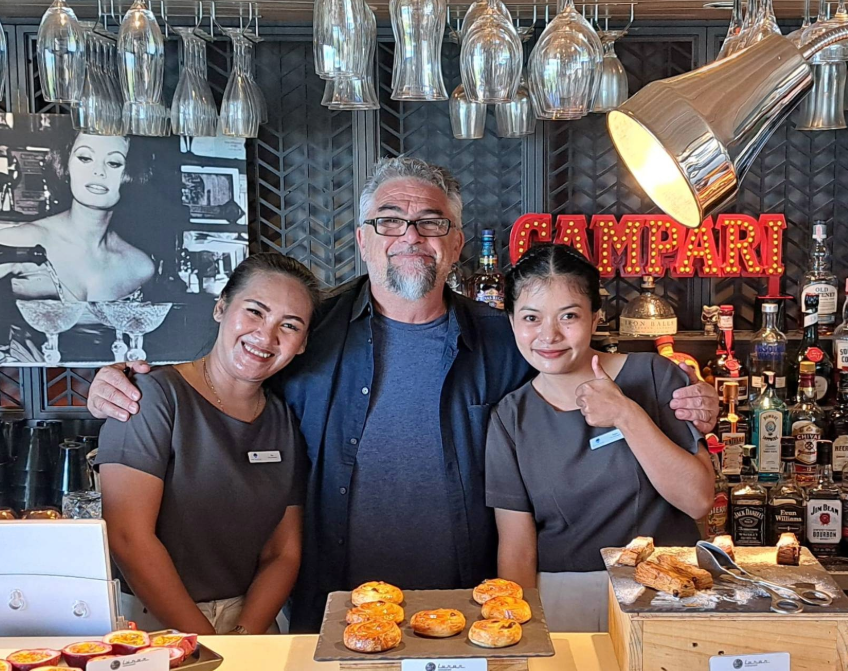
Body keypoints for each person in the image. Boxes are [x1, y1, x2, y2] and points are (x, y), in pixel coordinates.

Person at [86, 157, 722, 631]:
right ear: (363, 239)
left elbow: (577, 353)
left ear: (455, 245)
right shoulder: (311, 328)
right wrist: (128, 381)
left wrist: (682, 393)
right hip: (333, 605)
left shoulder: (507, 339)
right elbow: (230, 366)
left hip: (470, 604)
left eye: (430, 222)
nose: (410, 235)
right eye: (389, 220)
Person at [485, 244, 716, 632]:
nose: (549, 335)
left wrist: (626, 414)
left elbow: (698, 501)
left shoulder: (656, 376)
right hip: (564, 602)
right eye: (531, 318)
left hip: (669, 591)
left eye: (569, 316)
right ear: (511, 322)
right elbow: (517, 548)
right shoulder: (511, 417)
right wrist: (521, 632)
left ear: (595, 319)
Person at [93, 252, 321, 635]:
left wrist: (245, 635)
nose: (266, 336)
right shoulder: (151, 398)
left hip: (249, 623)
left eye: (290, 325)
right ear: (220, 307)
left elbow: (283, 552)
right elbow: (128, 537)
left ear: (301, 344)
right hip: (153, 625)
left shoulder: (284, 418)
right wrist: (206, 643)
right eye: (255, 311)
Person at [0, 132, 156, 302]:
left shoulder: (139, 267)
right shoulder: (15, 242)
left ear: (133, 173)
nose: (98, 171)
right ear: (65, 164)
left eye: (114, 163)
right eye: (85, 158)